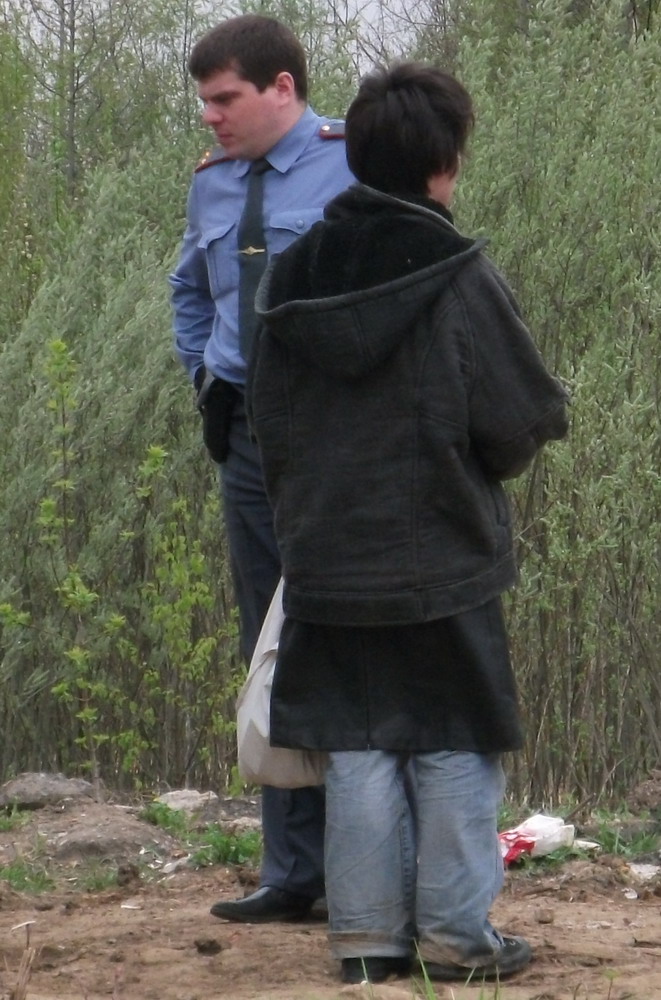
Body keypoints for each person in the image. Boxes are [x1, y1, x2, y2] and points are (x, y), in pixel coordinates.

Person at [248, 63, 570, 982]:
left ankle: (364, 944)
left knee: (355, 744)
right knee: (452, 741)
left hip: (324, 556)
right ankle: (458, 941)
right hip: (442, 557)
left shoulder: (290, 277)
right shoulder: (457, 273)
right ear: (445, 162)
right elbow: (517, 421)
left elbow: (263, 422)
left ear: (354, 154)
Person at [169, 14, 354, 923]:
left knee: (347, 628)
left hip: (335, 433)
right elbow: (188, 290)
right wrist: (206, 375)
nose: (210, 116)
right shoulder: (212, 185)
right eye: (204, 102)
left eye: (224, 98)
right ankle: (292, 871)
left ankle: (365, 860)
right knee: (267, 643)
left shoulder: (353, 164)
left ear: (282, 88)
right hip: (245, 432)